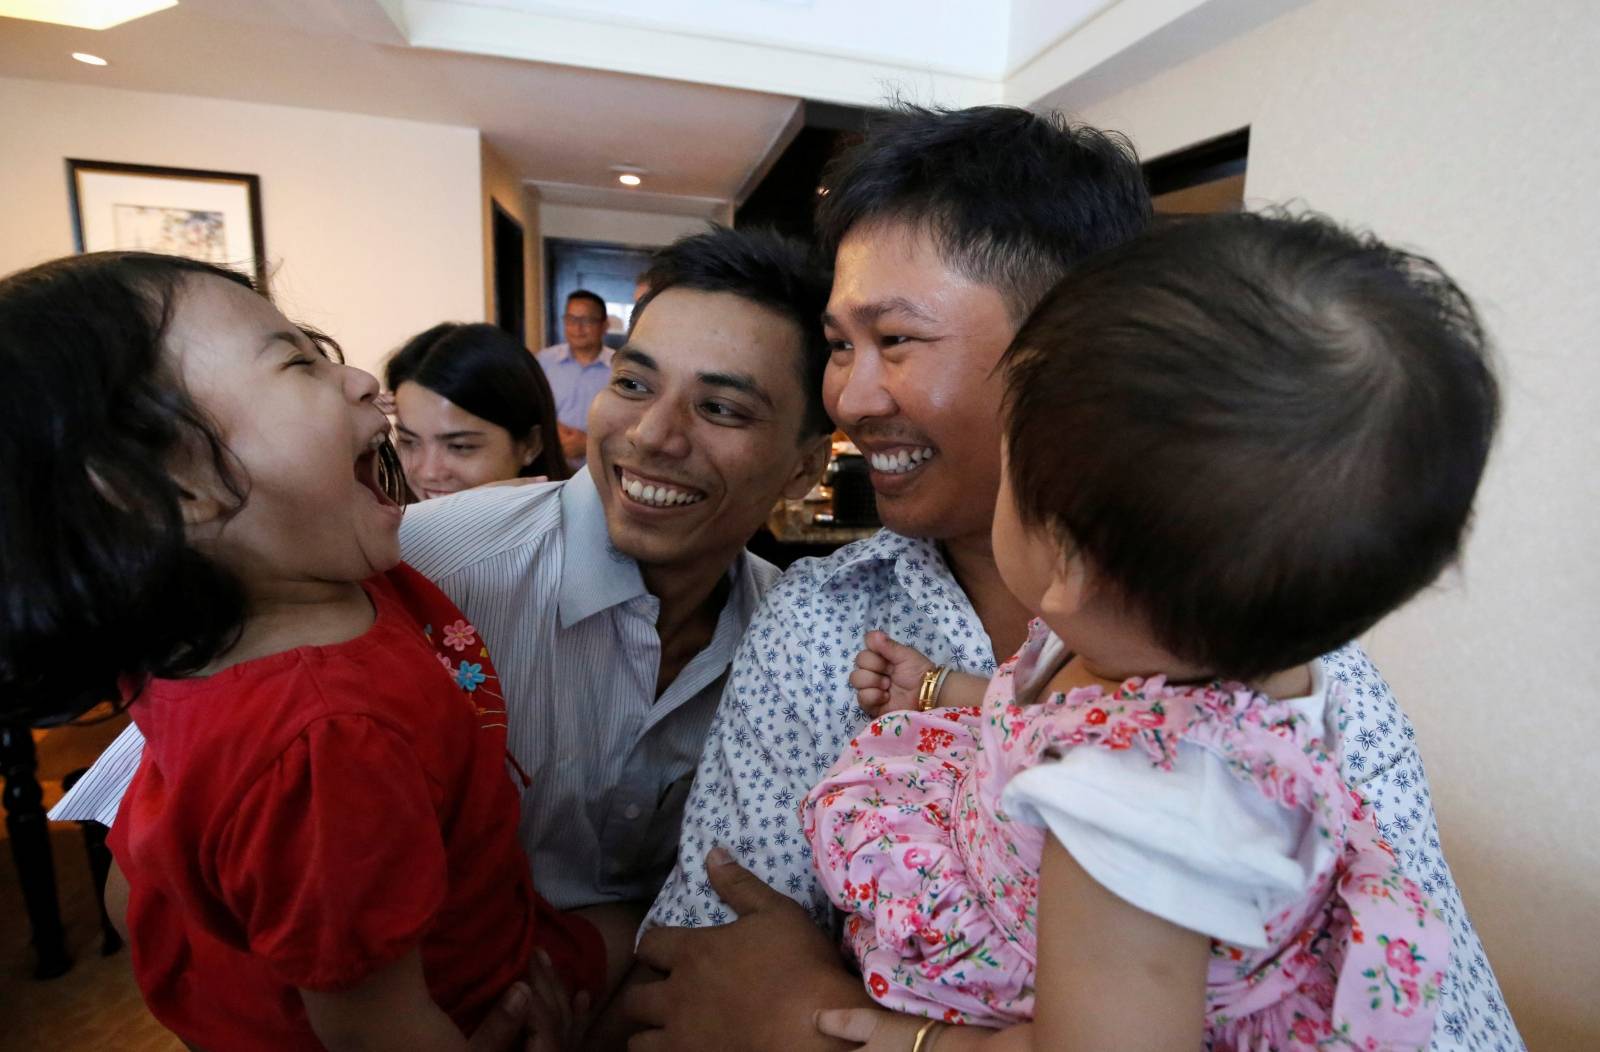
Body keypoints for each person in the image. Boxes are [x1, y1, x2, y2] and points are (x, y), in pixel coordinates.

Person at [626, 105, 1524, 1052]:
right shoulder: (824, 618)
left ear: (1068, 351)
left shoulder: (1285, 684)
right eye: (840, 345)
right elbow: (696, 960)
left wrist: (817, 1027)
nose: (848, 398)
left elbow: (1438, 1019)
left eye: (895, 340)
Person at [802, 211, 1496, 1050]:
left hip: (1041, 967)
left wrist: (925, 1043)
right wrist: (943, 690)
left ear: (1067, 557)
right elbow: (1060, 713)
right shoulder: (1183, 638)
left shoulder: (1138, 816)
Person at [50, 226, 835, 961]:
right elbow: (145, 879)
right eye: (633, 382)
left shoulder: (800, 645)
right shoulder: (409, 566)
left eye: (722, 407)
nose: (653, 435)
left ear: (804, 466)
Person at [0, 252, 604, 1050]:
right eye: (295, 362)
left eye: (320, 348)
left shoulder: (304, 583)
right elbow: (374, 1028)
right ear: (168, 483)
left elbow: (142, 872)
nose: (359, 379)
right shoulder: (325, 740)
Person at [387, 322, 571, 499]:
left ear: (530, 445)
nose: (429, 473)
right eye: (408, 442)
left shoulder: (583, 528)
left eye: (459, 447)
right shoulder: (392, 525)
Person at [537, 289, 613, 467]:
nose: (577, 328)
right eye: (571, 320)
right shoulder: (545, 360)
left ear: (604, 325)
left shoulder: (619, 367)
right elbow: (530, 405)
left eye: (586, 320)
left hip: (599, 468)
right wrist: (554, 430)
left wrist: (589, 444)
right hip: (550, 465)